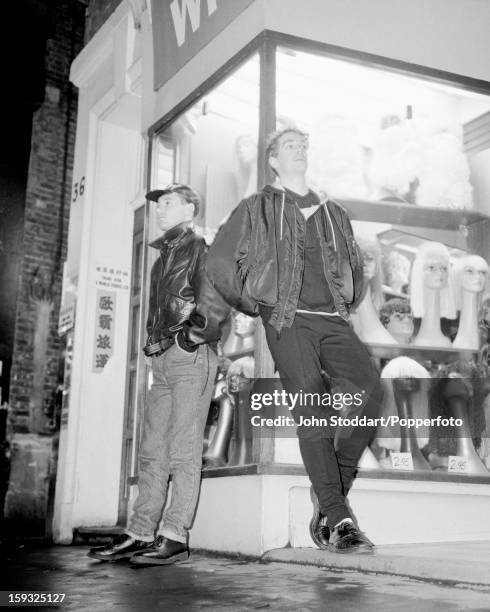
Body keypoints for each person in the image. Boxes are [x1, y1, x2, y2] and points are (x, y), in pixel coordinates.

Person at [206, 127, 383, 553]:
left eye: (304, 145)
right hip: (288, 321)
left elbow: (353, 264)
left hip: (332, 319)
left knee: (371, 390)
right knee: (313, 405)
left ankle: (328, 493)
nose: (300, 150)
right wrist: (258, 303)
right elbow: (219, 260)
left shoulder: (332, 210)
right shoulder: (258, 207)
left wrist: (350, 299)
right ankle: (340, 520)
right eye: (290, 146)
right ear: (272, 160)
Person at [88, 183, 229, 565]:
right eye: (158, 205)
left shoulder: (201, 247)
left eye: (169, 203)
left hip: (191, 355)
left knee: (183, 451)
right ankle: (140, 532)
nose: (160, 210)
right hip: (163, 358)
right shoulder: (161, 257)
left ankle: (174, 535)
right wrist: (156, 351)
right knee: (152, 452)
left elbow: (215, 300)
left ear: (190, 209)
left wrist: (190, 339)